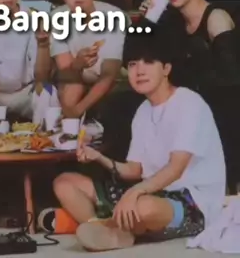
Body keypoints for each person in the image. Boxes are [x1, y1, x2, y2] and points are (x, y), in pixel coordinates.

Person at [38, 32, 225, 251]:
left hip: (192, 202)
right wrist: (99, 157)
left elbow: (175, 169)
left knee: (143, 207)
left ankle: (103, 225)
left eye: (149, 62)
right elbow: (134, 170)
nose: (139, 71)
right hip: (149, 190)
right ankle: (105, 226)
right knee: (65, 183)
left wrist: (134, 192)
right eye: (133, 64)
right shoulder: (143, 111)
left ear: (166, 68)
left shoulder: (189, 103)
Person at [141, 0, 240, 192]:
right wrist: (148, 20)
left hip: (223, 108)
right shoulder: (172, 20)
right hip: (190, 107)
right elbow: (140, 58)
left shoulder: (216, 19)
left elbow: (231, 79)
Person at [50, 0, 126, 124]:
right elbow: (65, 72)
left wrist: (77, 111)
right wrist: (78, 64)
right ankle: (66, 134)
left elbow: (109, 74)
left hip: (108, 82)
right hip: (75, 78)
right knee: (70, 87)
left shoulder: (113, 17)